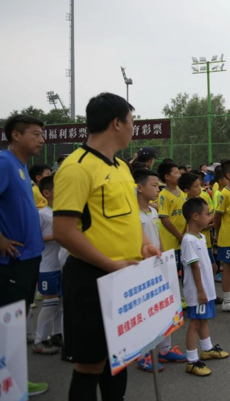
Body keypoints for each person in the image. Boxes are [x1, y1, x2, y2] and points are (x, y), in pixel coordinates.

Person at [53, 93, 160, 401]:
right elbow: (63, 231)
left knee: (119, 357)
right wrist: (111, 265)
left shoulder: (122, 167)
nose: (133, 130)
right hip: (92, 278)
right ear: (116, 123)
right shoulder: (77, 167)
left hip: (123, 277)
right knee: (90, 365)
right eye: (132, 122)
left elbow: (128, 215)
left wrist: (144, 243)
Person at [0, 114, 49, 397]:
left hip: (29, 258)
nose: (41, 139)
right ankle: (10, 383)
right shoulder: (4, 163)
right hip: (13, 261)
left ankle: (15, 377)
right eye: (36, 134)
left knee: (17, 321)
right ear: (16, 135)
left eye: (42, 134)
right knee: (9, 323)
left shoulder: (20, 166)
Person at [132, 169, 187, 372]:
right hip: (143, 268)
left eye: (158, 186)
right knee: (145, 312)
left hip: (159, 263)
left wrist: (163, 255)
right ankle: (143, 355)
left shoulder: (153, 212)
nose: (158, 189)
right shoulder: (132, 215)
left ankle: (165, 349)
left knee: (165, 306)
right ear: (139, 187)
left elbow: (157, 238)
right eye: (154, 186)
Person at [180, 197, 229, 376]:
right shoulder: (188, 240)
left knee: (203, 320)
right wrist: (200, 291)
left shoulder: (200, 237)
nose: (210, 217)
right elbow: (194, 267)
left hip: (205, 289)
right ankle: (191, 361)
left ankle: (207, 349)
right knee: (195, 322)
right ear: (195, 216)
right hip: (197, 290)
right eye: (207, 214)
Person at [32, 175, 63, 356]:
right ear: (46, 193)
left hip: (62, 265)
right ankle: (39, 340)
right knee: (50, 303)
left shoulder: (63, 213)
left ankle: (57, 334)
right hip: (47, 267)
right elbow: (34, 239)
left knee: (61, 304)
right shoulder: (42, 214)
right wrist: (59, 235)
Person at [214, 160, 230, 313]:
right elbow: (217, 217)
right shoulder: (224, 194)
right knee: (228, 268)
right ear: (229, 175)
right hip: (228, 238)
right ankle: (227, 300)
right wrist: (219, 235)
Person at [158, 161, 186, 274]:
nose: (179, 175)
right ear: (167, 177)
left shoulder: (182, 192)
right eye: (176, 173)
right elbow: (164, 219)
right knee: (171, 274)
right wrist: (179, 236)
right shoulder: (163, 195)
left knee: (183, 272)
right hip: (170, 242)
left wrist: (184, 234)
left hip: (182, 240)